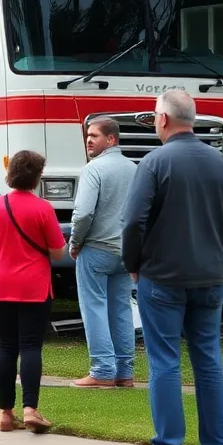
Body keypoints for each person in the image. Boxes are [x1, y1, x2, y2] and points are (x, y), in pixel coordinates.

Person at [122, 89, 223, 445]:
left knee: (165, 360)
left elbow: (133, 222)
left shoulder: (154, 162)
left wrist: (134, 263)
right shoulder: (222, 164)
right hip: (209, 276)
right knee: (209, 359)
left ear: (162, 119)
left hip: (162, 275)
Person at [0, 150, 66, 434]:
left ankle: (5, 412)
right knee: (30, 347)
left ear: (11, 173)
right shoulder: (43, 209)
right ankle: (31, 409)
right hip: (33, 286)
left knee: (6, 347)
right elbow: (57, 251)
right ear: (37, 177)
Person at [69, 116, 137, 389]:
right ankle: (125, 371)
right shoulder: (135, 169)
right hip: (125, 251)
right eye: (87, 136)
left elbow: (84, 212)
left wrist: (75, 242)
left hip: (96, 248)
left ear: (111, 139)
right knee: (121, 309)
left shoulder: (94, 169)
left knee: (93, 307)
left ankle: (102, 369)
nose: (88, 140)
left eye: (94, 136)